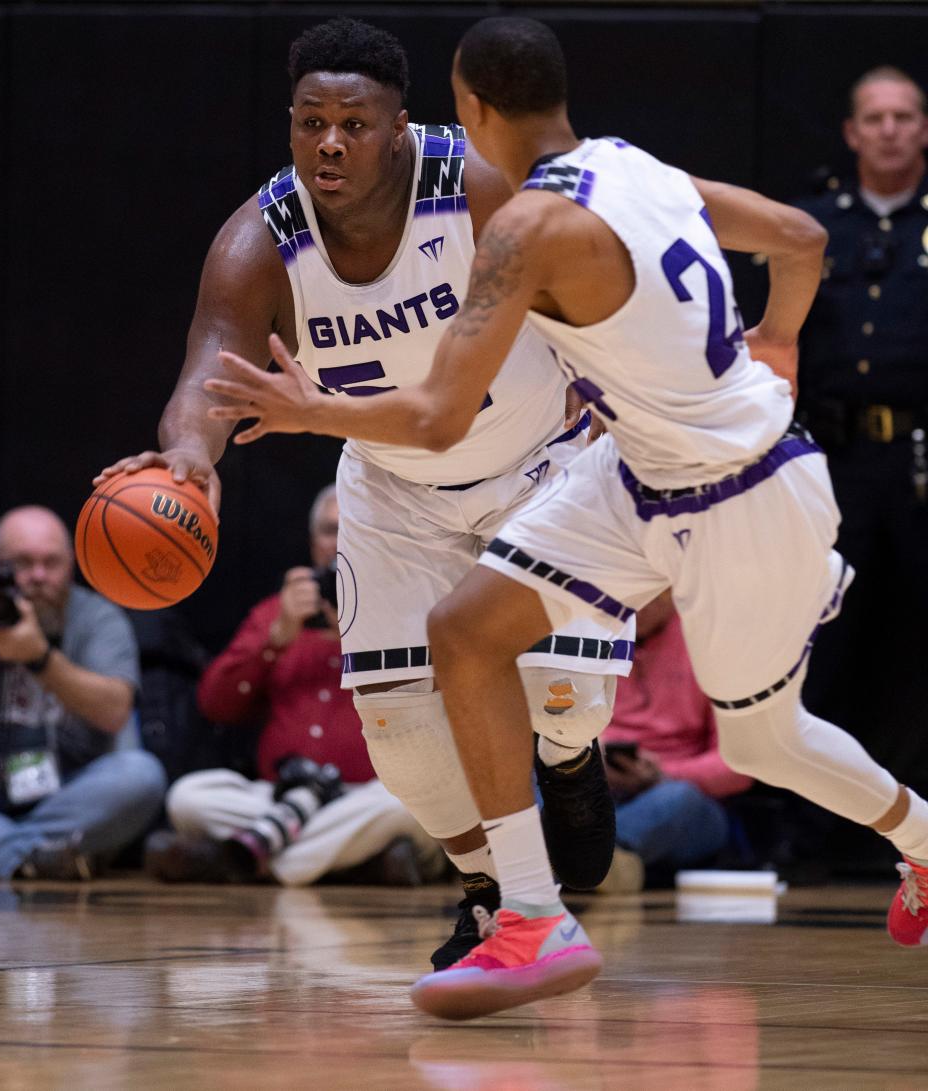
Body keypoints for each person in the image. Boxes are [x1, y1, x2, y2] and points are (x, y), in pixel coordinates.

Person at [207, 16, 928, 1019]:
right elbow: (800, 239)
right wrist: (777, 339)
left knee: (765, 741)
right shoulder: (636, 168)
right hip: (638, 471)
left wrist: (304, 409)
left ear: (469, 108)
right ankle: (528, 913)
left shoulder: (523, 228)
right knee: (464, 630)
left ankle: (925, 841)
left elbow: (438, 413)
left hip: (740, 492)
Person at [95, 18, 635, 965]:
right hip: (394, 483)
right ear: (292, 126)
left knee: (563, 697)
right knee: (401, 741)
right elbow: (206, 383)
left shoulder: (474, 186)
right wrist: (188, 463)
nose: (330, 142)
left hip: (539, 462)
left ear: (399, 127)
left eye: (353, 121)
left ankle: (569, 758)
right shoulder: (258, 239)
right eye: (311, 122)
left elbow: (593, 285)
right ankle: (489, 894)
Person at [145, 485, 445, 887]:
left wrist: (361, 636)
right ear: (312, 542)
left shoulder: (408, 610)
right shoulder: (275, 611)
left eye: (353, 527)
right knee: (187, 797)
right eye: (329, 530)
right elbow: (214, 704)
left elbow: (436, 707)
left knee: (416, 810)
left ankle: (246, 859)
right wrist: (276, 637)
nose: (340, 541)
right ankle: (354, 864)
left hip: (366, 797)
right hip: (280, 797)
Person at [793, 68, 928, 790]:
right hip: (833, 459)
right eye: (875, 118)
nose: (889, 130)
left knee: (915, 643)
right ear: (852, 132)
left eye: (904, 116)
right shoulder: (816, 224)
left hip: (918, 464)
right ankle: (806, 828)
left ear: (924, 128)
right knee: (822, 635)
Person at [0, 506, 166, 880]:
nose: (39, 576)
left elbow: (114, 711)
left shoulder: (97, 618)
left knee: (141, 775)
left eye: (52, 563)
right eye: (22, 563)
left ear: (72, 565)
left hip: (67, 797)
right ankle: (36, 858)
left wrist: (40, 659)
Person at [600, 590, 753, 881]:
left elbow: (740, 766)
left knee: (678, 799)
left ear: (675, 589)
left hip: (679, 796)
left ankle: (594, 859)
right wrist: (589, 763)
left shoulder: (713, 644)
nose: (639, 605)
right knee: (538, 772)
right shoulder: (588, 634)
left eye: (651, 594)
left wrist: (660, 774)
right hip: (595, 787)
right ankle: (597, 863)